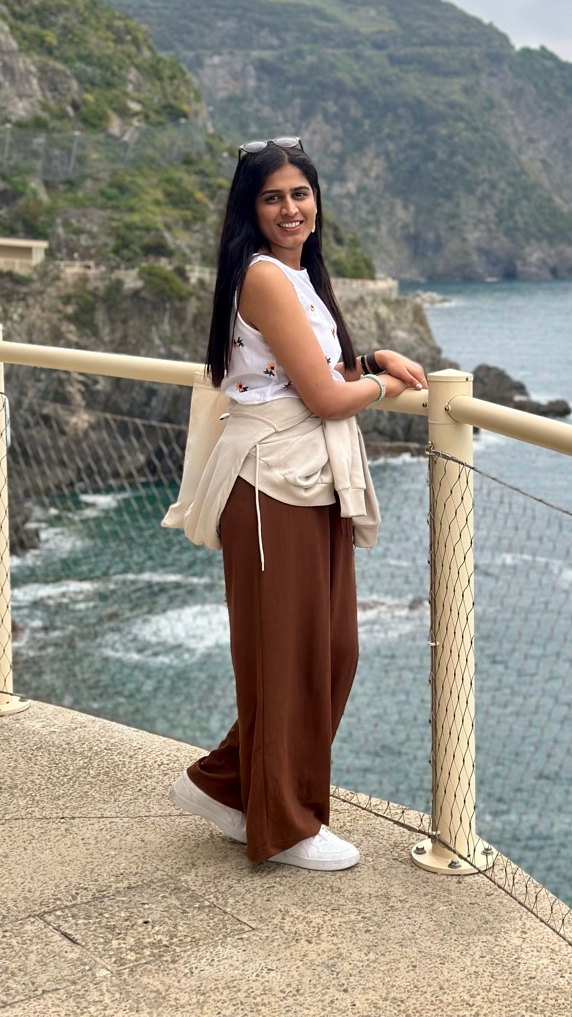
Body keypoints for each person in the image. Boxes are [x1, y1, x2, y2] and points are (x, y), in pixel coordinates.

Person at [167, 136, 425, 871]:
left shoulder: (296, 275)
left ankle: (226, 785)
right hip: (268, 483)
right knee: (288, 658)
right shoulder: (267, 278)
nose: (290, 208)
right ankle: (284, 824)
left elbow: (311, 367)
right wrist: (383, 387)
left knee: (330, 651)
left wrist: (370, 361)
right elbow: (321, 395)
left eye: (300, 193)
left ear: (317, 202)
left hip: (304, 476)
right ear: (252, 209)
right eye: (273, 196)